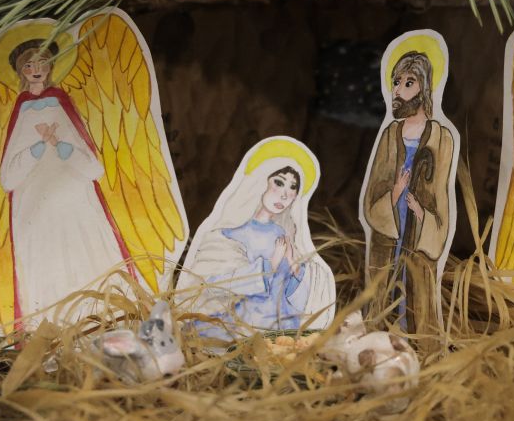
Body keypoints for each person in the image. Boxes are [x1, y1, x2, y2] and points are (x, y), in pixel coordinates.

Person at [0, 40, 137, 321]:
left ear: (50, 66)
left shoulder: (60, 101)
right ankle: (55, 323)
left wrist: (60, 145)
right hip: (36, 204)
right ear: (21, 71)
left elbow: (92, 167)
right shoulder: (21, 110)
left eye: (41, 63)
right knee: (48, 263)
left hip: (73, 198)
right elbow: (8, 177)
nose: (36, 70)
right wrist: (38, 147)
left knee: (83, 253)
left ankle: (100, 315)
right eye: (29, 65)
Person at [179, 148, 335, 342]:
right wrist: (270, 265)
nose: (284, 195)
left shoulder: (284, 234)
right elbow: (213, 285)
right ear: (261, 182)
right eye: (279, 183)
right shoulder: (231, 233)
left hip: (282, 327)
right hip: (244, 325)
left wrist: (295, 267)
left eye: (293, 187)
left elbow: (290, 293)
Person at [361, 49, 456, 333]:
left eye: (408, 82)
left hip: (419, 233)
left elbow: (442, 201)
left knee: (413, 291)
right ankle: (379, 339)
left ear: (424, 88)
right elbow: (372, 197)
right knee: (385, 286)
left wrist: (421, 213)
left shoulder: (442, 138)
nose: (398, 90)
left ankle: (414, 341)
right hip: (390, 228)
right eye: (396, 82)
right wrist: (395, 193)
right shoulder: (389, 135)